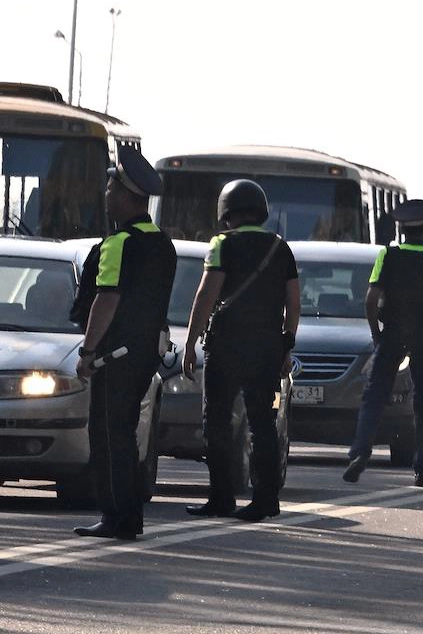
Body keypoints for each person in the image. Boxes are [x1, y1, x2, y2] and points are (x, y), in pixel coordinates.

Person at [71, 145, 178, 540]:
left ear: (126, 196)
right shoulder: (162, 244)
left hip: (113, 357)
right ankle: (128, 516)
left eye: (111, 189)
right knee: (126, 434)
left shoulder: (118, 244)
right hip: (144, 354)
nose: (106, 196)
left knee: (108, 436)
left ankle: (116, 516)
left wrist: (87, 351)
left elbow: (107, 298)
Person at [180, 179, 300, 522]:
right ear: (261, 211)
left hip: (226, 346)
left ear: (226, 212)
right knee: (262, 422)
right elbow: (293, 303)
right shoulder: (281, 248)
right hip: (266, 347)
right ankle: (266, 499)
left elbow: (206, 295)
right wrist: (286, 345)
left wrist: (190, 342)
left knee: (216, 421)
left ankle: (221, 497)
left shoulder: (222, 244)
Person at [343, 198, 423, 488]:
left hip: (393, 333)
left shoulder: (388, 256)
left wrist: (376, 334)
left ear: (401, 229)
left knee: (374, 395)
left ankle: (361, 451)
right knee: (422, 402)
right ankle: (422, 469)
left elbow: (371, 300)